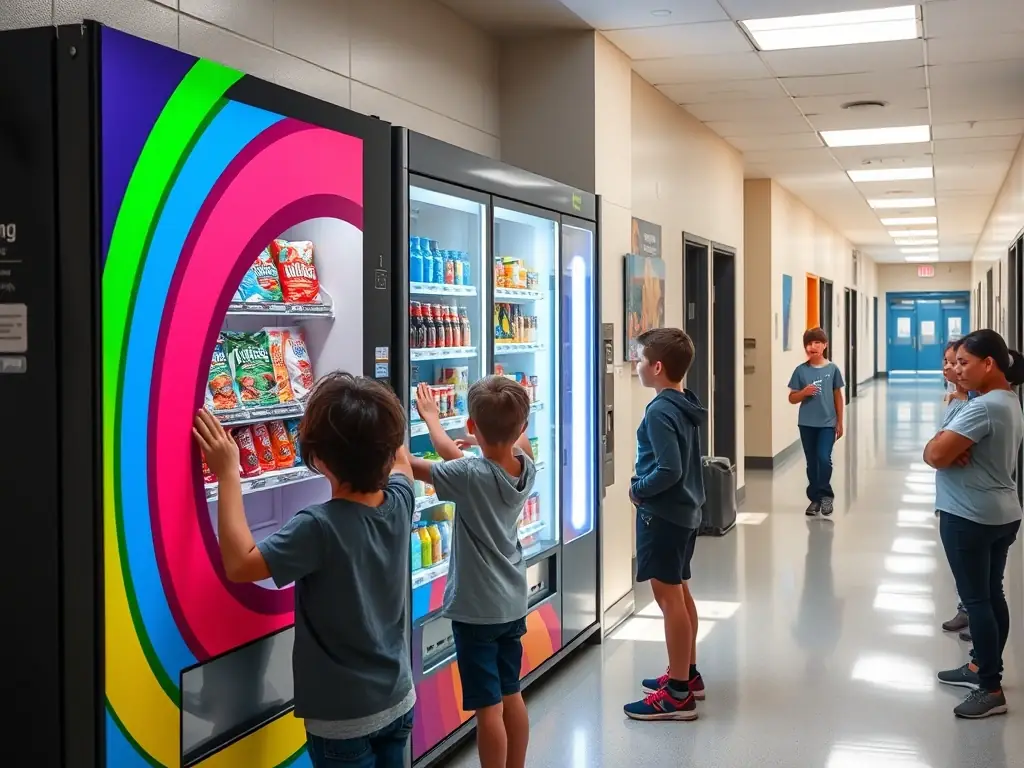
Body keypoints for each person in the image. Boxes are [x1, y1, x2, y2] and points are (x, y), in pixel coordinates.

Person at [192, 372, 416, 767]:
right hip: (398, 700)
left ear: (320, 459)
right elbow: (402, 463)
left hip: (343, 722)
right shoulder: (401, 502)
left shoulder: (318, 527)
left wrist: (229, 473)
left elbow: (241, 564)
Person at [410, 377, 535, 768]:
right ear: (521, 429)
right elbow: (459, 458)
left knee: (487, 708)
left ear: (471, 427)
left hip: (476, 609)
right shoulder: (525, 464)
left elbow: (416, 465)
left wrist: (429, 420)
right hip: (513, 602)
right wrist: (474, 445)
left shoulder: (470, 476)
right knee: (511, 693)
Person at [923, 329, 1024, 719]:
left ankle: (990, 688)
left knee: (977, 600)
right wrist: (949, 446)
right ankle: (982, 665)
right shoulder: (1005, 400)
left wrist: (942, 446)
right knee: (991, 593)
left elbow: (933, 454)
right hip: (1001, 512)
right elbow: (945, 449)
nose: (956, 370)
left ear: (989, 364)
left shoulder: (982, 407)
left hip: (969, 515)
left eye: (964, 363)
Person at [623, 327, 707, 722]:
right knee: (682, 592)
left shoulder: (658, 411)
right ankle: (687, 674)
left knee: (668, 598)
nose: (636, 366)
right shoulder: (684, 401)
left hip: (664, 514)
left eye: (639, 360)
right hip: (687, 512)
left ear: (657, 367)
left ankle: (676, 695)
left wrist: (639, 489)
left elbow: (669, 469)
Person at [788, 327, 845, 517]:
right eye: (809, 344)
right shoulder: (800, 371)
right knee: (812, 462)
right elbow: (792, 398)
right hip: (806, 423)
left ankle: (826, 495)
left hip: (827, 423)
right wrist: (803, 393)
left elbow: (838, 396)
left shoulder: (832, 369)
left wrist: (840, 422)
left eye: (817, 343)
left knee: (823, 458)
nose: (813, 347)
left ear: (825, 346)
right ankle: (814, 499)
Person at [939, 340, 971, 636]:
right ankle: (966, 608)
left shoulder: (973, 404)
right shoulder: (953, 398)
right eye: (948, 362)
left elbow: (939, 450)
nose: (951, 368)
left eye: (958, 362)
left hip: (966, 500)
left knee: (971, 569)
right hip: (951, 495)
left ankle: (971, 612)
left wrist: (942, 446)